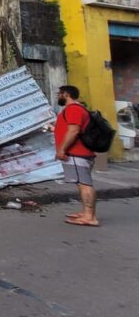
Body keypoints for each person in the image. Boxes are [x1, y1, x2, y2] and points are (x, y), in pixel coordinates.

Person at [54, 85, 98, 227]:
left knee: (85, 185)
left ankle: (90, 217)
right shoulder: (79, 109)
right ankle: (86, 213)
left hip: (76, 153)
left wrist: (61, 150)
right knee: (82, 184)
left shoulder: (73, 109)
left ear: (66, 94)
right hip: (79, 153)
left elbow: (73, 131)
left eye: (59, 94)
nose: (57, 96)